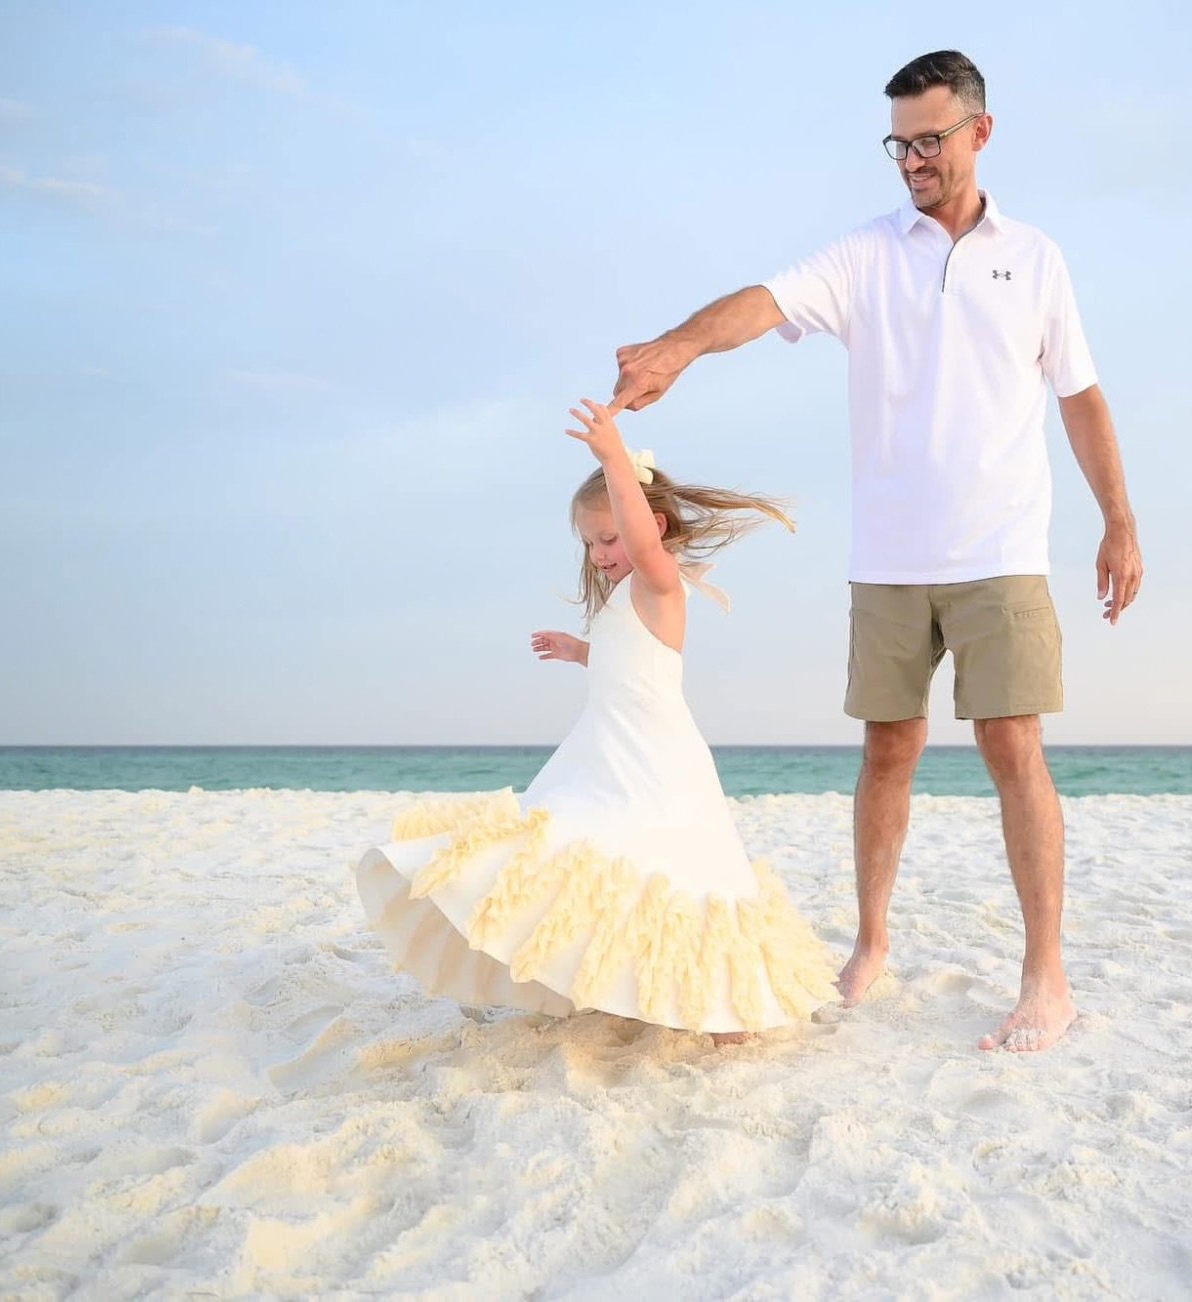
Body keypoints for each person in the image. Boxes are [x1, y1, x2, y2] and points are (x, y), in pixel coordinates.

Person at [608, 50, 1143, 1053]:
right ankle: (871, 944)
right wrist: (679, 347)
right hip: (890, 558)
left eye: (929, 141)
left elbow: (1079, 396)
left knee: (1012, 746)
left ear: (980, 132)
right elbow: (761, 303)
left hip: (1000, 549)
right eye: (898, 145)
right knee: (887, 748)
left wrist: (1117, 518)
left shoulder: (1035, 258)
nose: (912, 161)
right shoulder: (865, 254)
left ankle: (1046, 977)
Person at [354, 398, 837, 1043]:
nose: (601, 553)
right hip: (607, 746)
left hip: (654, 752)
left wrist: (612, 456)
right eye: (589, 542)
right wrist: (580, 650)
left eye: (609, 539)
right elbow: (629, 658)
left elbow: (642, 548)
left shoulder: (659, 581)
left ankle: (725, 1013)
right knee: (603, 854)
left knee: (683, 867)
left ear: (650, 527)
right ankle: (619, 981)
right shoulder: (625, 598)